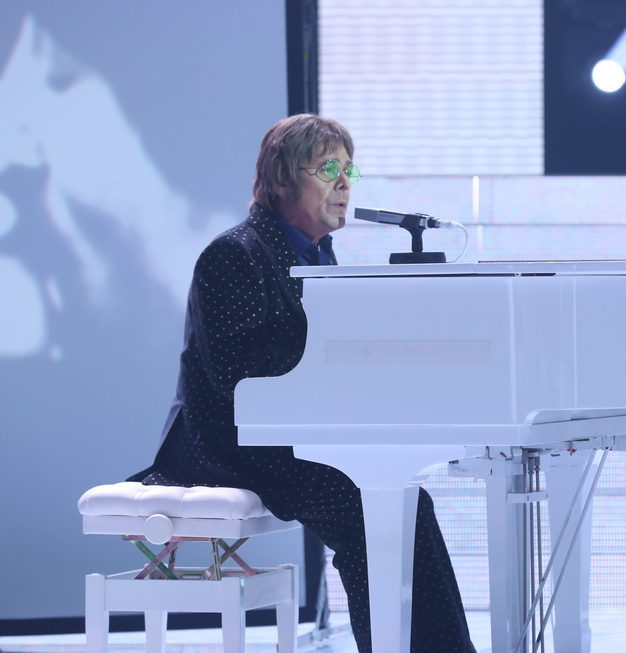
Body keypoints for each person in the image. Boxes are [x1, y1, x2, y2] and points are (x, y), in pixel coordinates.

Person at [128, 114, 476, 653]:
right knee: (371, 507)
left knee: (403, 500)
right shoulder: (234, 253)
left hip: (282, 435)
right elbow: (236, 376)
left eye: (349, 170)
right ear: (283, 179)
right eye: (328, 169)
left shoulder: (315, 254)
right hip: (225, 443)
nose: (345, 184)